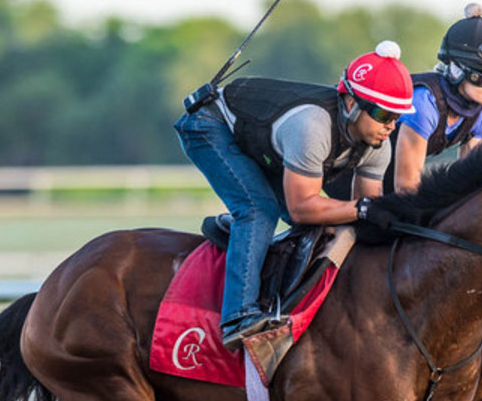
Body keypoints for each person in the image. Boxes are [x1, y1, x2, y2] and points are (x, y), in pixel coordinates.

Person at [174, 41, 415, 350]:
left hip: (262, 142)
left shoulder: (377, 144)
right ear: (352, 103)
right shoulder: (312, 126)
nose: (390, 126)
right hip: (210, 124)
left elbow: (361, 213)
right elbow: (303, 207)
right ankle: (237, 316)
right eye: (383, 114)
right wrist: (364, 210)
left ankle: (239, 236)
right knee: (259, 210)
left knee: (325, 226)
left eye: (397, 116)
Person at [392, 4, 482, 193]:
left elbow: (470, 181)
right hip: (355, 174)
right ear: (457, 70)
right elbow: (406, 186)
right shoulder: (424, 104)